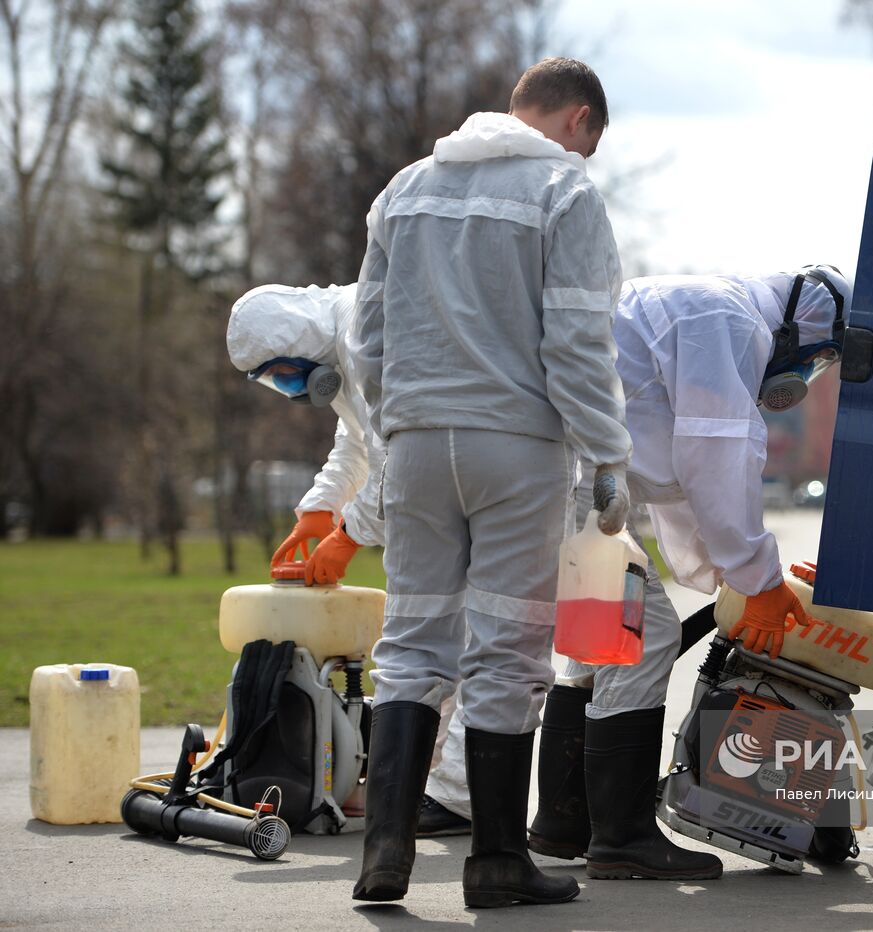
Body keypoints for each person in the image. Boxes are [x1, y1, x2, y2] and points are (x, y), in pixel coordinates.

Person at [449, 265, 850, 880]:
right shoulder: (730, 322)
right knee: (644, 639)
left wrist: (740, 572)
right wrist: (756, 578)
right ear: (805, 325)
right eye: (820, 359)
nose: (807, 376)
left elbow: (682, 481)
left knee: (595, 647)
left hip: (543, 463)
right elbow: (715, 456)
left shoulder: (704, 307)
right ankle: (624, 840)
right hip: (560, 470)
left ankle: (563, 824)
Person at [346, 58, 632, 909]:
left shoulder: (406, 188)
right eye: (593, 143)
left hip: (418, 445)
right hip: (518, 449)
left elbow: (365, 338)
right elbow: (577, 344)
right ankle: (499, 863)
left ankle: (384, 856)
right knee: (506, 648)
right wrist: (607, 456)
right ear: (579, 120)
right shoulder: (564, 194)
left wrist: (401, 422)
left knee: (411, 641)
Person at [224, 283, 473, 839]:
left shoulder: (362, 328)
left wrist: (348, 535)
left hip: (465, 486)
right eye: (273, 381)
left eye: (285, 372)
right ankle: (413, 784)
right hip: (448, 494)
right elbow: (356, 442)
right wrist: (320, 509)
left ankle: (453, 796)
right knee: (432, 646)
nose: (289, 389)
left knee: (461, 644)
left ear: (298, 337)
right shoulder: (340, 339)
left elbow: (395, 457)